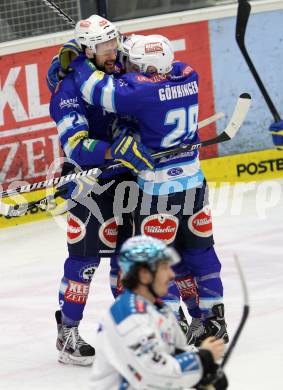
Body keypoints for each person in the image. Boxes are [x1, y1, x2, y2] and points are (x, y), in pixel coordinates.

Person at [67, 34, 229, 346]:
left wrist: (77, 59)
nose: (123, 64)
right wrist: (127, 43)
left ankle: (169, 330)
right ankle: (215, 321)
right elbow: (156, 64)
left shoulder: (141, 92)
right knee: (201, 253)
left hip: (158, 193)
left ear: (146, 69)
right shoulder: (187, 74)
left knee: (155, 262)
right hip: (194, 184)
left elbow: (95, 88)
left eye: (130, 60)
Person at [49, 15, 154, 366]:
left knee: (131, 257)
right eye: (105, 48)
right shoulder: (67, 90)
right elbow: (77, 146)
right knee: (84, 262)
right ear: (87, 50)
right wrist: (113, 149)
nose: (114, 52)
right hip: (87, 183)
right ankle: (68, 331)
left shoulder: (125, 72)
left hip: (128, 179)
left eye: (115, 44)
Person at [90, 235, 228, 390]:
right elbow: (153, 373)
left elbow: (174, 355)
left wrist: (201, 375)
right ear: (144, 274)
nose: (171, 275)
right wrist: (203, 359)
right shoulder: (128, 316)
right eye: (164, 267)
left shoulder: (158, 309)